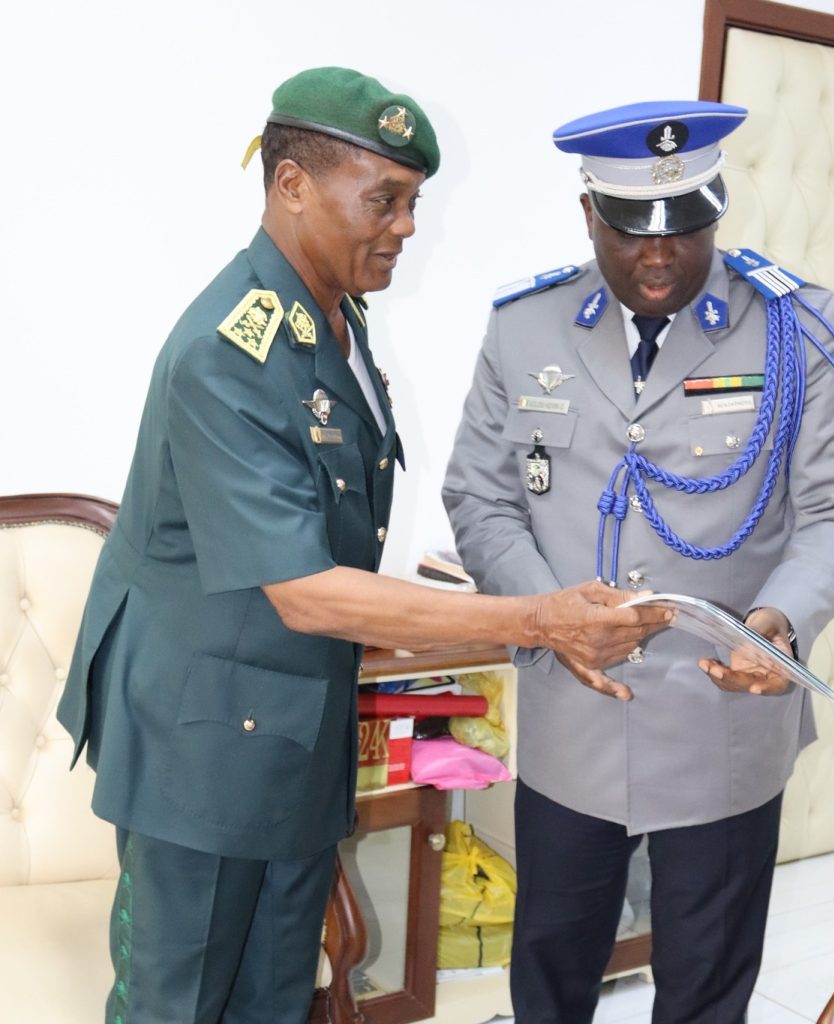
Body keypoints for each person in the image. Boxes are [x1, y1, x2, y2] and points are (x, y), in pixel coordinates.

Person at [56, 69, 670, 1024]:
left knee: (273, 998)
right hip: (200, 749)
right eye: (383, 199)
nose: (407, 225)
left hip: (292, 733)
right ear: (291, 184)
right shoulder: (229, 350)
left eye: (413, 201)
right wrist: (535, 618)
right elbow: (303, 589)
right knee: (176, 1007)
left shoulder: (333, 321)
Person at [442, 100, 834, 1023]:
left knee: (706, 990)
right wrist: (544, 615)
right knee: (551, 975)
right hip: (573, 718)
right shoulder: (524, 328)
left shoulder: (795, 327)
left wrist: (782, 622)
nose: (659, 256)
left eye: (685, 227)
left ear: (717, 210)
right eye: (632, 230)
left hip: (725, 721)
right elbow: (480, 498)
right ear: (589, 216)